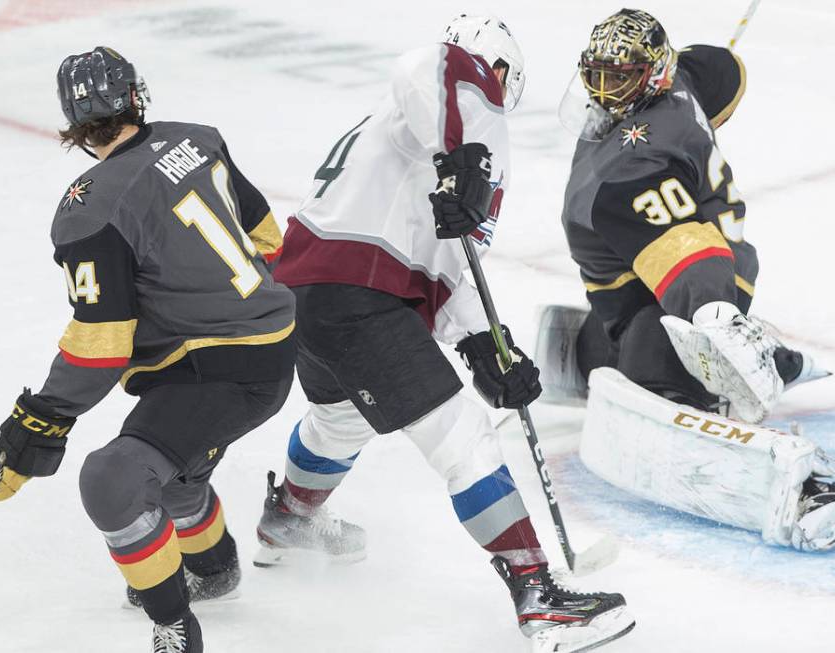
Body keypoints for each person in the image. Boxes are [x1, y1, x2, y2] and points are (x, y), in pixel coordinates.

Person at [255, 15, 635, 649]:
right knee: (465, 442)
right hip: (358, 296)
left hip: (306, 295)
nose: (496, 95)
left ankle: (290, 517)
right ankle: (539, 597)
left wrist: (485, 341)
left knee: (340, 422)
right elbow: (432, 62)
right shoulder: (456, 89)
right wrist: (467, 157)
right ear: (496, 69)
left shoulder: (406, 134)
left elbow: (448, 259)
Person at [0, 47, 297, 652]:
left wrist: (44, 416)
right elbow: (268, 240)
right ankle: (214, 570)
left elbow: (103, 344)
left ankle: (174, 626)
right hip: (266, 350)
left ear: (73, 125)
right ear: (136, 96)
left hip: (213, 369)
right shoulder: (198, 138)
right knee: (175, 471)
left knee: (115, 479)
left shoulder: (89, 207)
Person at [540, 9, 835, 551]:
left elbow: (686, 254)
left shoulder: (635, 171)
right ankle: (618, 345)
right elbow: (727, 70)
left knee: (658, 355)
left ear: (651, 73)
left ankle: (794, 483)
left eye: (619, 77)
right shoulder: (683, 80)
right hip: (687, 266)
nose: (604, 92)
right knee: (639, 314)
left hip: (685, 291)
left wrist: (715, 322)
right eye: (596, 75)